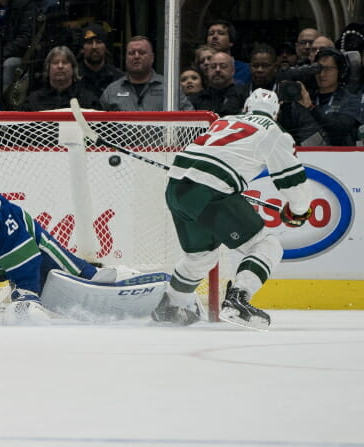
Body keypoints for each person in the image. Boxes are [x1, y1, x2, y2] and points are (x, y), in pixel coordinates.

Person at [154, 89, 312, 329]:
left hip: (176, 188)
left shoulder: (225, 121)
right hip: (211, 189)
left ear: (246, 107)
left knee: (201, 257)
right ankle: (238, 299)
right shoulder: (274, 132)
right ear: (276, 113)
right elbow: (293, 182)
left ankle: (170, 306)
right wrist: (298, 211)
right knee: (267, 244)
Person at [101, 36, 193, 111]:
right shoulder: (112, 91)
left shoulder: (169, 89)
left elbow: (191, 121)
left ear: (152, 57)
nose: (136, 56)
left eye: (142, 52)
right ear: (125, 58)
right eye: (131, 53)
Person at [295, 47, 362, 146]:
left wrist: (311, 107)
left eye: (328, 69)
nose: (322, 74)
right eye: (318, 69)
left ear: (341, 71)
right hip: (306, 156)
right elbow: (291, 130)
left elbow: (339, 129)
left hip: (340, 157)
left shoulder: (351, 100)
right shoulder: (304, 97)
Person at [20, 45, 101, 111]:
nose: (60, 66)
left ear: (73, 68)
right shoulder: (33, 101)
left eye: (65, 62)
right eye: (55, 62)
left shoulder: (89, 101)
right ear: (48, 68)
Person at [187, 51, 244, 116]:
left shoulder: (243, 96)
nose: (217, 70)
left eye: (223, 66)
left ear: (233, 71)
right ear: (207, 71)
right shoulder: (195, 100)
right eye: (213, 66)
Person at [77, 22, 124, 99]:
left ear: (106, 47)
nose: (94, 47)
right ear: (82, 49)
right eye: (89, 42)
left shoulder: (119, 79)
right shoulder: (72, 78)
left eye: (99, 42)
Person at [205, 19, 250, 85]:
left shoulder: (246, 70)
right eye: (211, 34)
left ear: (231, 42)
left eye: (221, 33)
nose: (214, 37)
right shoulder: (202, 68)